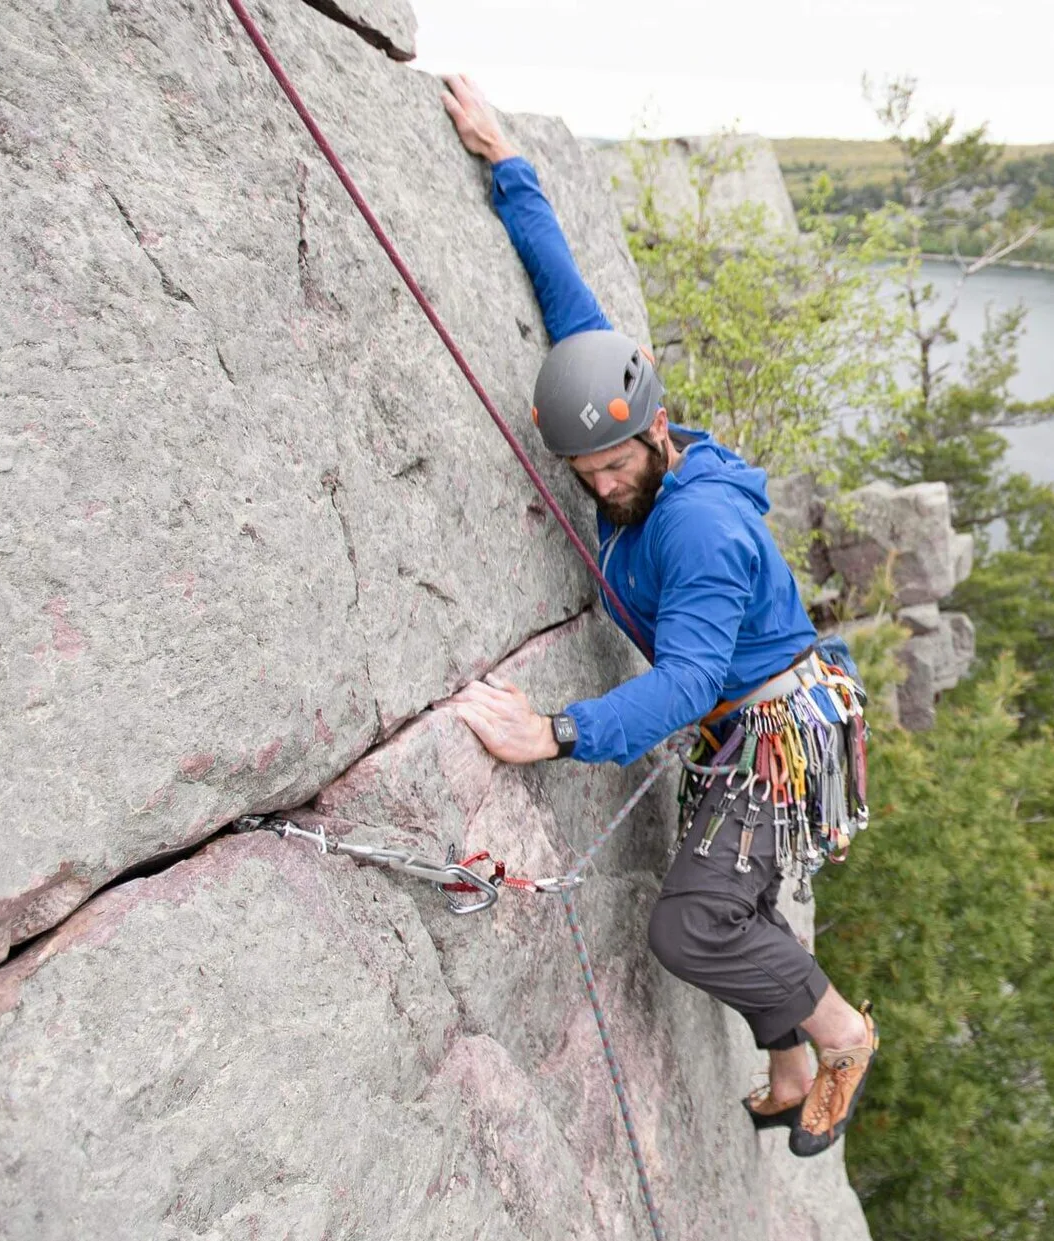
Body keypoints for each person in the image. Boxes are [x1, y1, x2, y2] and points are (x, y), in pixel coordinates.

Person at [435, 75, 874, 1159]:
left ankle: (842, 1036)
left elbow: (685, 679)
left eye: (618, 459)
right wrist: (507, 166)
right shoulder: (621, 428)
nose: (603, 482)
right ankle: (782, 1066)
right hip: (750, 728)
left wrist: (557, 732)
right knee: (737, 902)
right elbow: (573, 309)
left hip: (779, 733)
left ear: (658, 430)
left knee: (691, 922)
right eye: (583, 468)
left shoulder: (700, 529)